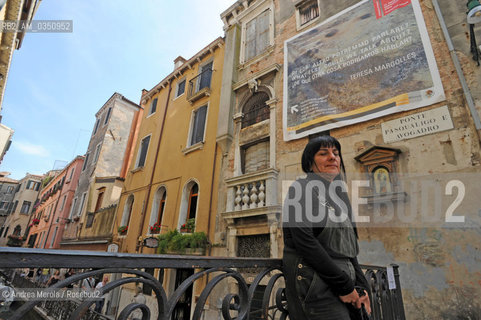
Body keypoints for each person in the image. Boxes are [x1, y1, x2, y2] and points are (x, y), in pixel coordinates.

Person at [282, 135, 372, 320]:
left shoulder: (339, 197)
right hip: (316, 286)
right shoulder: (301, 189)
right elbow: (305, 243)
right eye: (323, 153)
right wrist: (344, 286)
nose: (333, 157)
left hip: (345, 285)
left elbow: (348, 249)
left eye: (336, 153)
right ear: (309, 163)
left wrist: (362, 288)